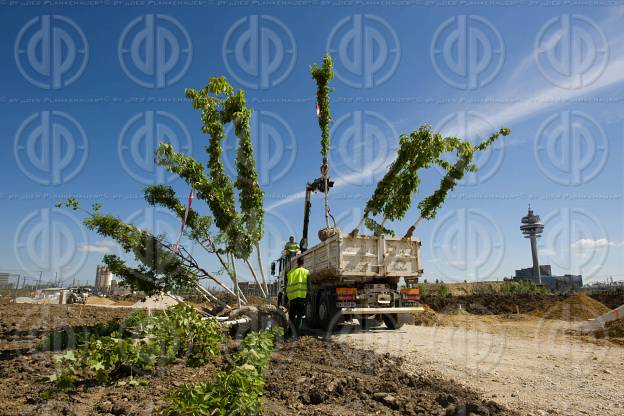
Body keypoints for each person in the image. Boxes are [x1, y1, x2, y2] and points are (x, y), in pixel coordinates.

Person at [286, 257, 309, 339]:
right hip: (301, 297)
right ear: (303, 263)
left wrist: (288, 298)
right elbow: (308, 286)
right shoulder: (306, 272)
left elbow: (287, 286)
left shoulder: (291, 273)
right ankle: (297, 334)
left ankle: (290, 332)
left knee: (291, 316)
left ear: (297, 262)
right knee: (299, 316)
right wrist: (307, 298)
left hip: (292, 298)